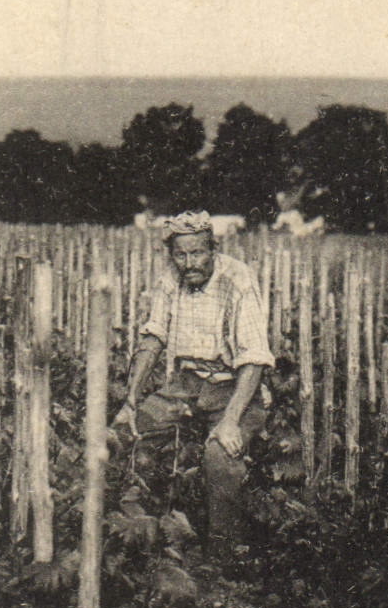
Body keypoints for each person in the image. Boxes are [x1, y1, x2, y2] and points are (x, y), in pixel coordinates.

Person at [116, 210, 274, 550]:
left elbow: (254, 359)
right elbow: (153, 338)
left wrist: (230, 421)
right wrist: (130, 400)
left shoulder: (238, 281)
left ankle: (224, 554)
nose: (189, 263)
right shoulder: (170, 279)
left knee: (220, 456)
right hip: (186, 384)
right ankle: (137, 537)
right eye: (181, 255)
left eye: (197, 253)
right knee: (127, 433)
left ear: (213, 249)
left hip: (234, 387)